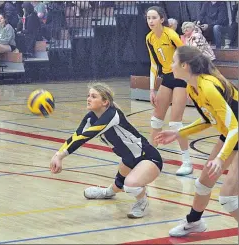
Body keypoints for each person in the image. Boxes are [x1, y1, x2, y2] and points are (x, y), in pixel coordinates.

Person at [155, 45, 238, 236]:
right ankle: (194, 222)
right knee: (203, 184)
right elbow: (209, 119)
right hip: (231, 135)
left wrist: (220, 158)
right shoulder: (193, 88)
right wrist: (178, 133)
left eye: (174, 61)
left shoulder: (208, 86)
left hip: (235, 133)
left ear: (184, 65)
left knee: (229, 199)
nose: (170, 64)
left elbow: (235, 126)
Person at [50, 82, 163, 218]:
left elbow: (87, 135)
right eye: (88, 96)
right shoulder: (90, 118)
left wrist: (61, 156)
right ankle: (107, 193)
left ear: (105, 102)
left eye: (93, 96)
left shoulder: (112, 115)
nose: (89, 99)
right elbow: (76, 136)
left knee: (130, 185)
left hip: (148, 158)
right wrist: (58, 155)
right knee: (119, 184)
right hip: (128, 160)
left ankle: (142, 201)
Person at [146, 6, 192, 176]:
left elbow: (186, 55)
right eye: (148, 18)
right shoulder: (149, 38)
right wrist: (152, 89)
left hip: (180, 77)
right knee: (156, 119)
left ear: (162, 19)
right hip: (166, 77)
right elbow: (153, 64)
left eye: (154, 17)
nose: (151, 21)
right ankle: (150, 157)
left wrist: (190, 79)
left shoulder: (171, 35)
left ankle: (187, 162)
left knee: (175, 123)